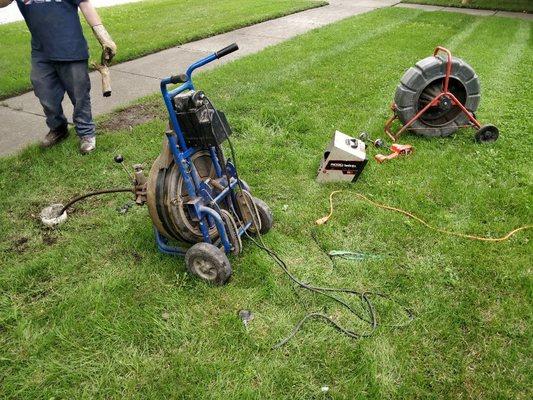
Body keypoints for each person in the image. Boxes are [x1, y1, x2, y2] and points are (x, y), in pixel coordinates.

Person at [0, 0, 116, 154]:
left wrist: (103, 36)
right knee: (44, 93)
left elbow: (85, 4)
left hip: (71, 49)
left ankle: (86, 132)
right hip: (41, 52)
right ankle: (58, 128)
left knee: (79, 95)